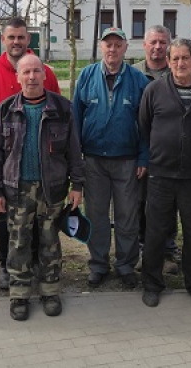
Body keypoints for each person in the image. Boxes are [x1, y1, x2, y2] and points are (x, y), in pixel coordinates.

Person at [0, 54, 84, 321]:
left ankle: (50, 291)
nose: (31, 77)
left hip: (53, 189)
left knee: (50, 242)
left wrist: (78, 185)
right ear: (17, 77)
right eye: (26, 72)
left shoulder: (62, 108)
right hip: (16, 190)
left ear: (44, 75)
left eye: (36, 71)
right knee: (18, 243)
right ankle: (19, 295)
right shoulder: (5, 110)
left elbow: (74, 150)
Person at [0, 18, 60, 289]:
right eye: (11, 37)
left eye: (21, 37)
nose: (16, 42)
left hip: (38, 159)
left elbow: (58, 116)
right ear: (3, 40)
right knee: (5, 215)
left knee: (38, 217)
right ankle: (6, 265)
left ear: (28, 40)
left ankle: (34, 263)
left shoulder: (44, 72)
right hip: (5, 162)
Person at [138, 39, 191, 310]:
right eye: (175, 59)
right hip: (161, 175)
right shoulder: (154, 90)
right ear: (169, 61)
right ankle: (152, 285)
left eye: (185, 58)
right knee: (155, 232)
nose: (180, 63)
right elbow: (145, 126)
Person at [73, 26, 149, 289]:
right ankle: (98, 265)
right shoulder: (86, 76)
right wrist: (76, 159)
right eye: (108, 44)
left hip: (127, 161)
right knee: (96, 216)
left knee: (128, 217)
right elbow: (75, 118)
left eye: (118, 44)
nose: (113, 49)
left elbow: (147, 124)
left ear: (126, 47)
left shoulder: (139, 80)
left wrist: (143, 157)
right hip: (93, 161)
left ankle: (126, 265)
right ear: (101, 46)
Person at [133, 25, 180, 268]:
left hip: (170, 152)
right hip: (142, 151)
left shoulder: (178, 72)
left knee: (169, 202)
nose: (158, 47)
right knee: (142, 202)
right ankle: (143, 248)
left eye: (163, 42)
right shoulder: (133, 74)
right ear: (145, 44)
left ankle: (169, 248)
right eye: (153, 42)